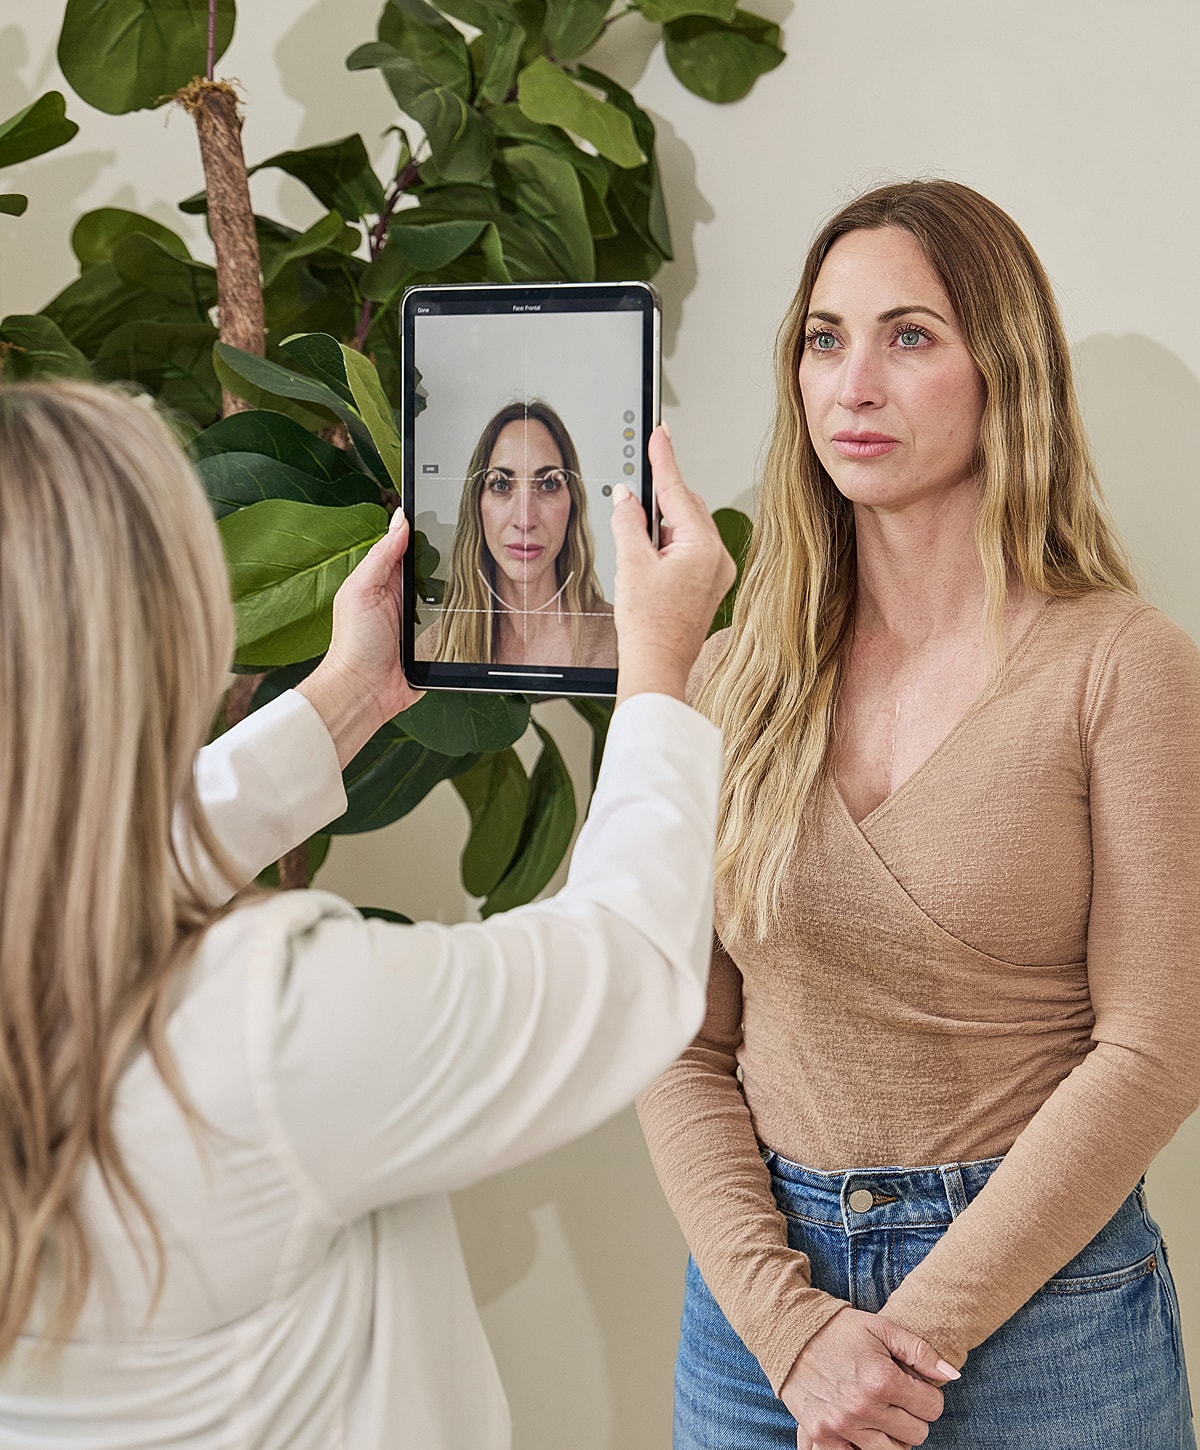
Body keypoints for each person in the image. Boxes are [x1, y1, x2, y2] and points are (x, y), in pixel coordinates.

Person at [0, 381, 746, 1448]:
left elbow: (122, 852)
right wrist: (662, 672)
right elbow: (624, 967)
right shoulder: (257, 1024)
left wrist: (352, 691)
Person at [637, 179, 1200, 1450]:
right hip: (758, 1322)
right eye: (824, 338)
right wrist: (794, 1334)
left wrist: (901, 1345)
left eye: (910, 335)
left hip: (1043, 1320)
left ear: (1004, 370)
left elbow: (1158, 1046)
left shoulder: (1122, 663)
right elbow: (677, 1038)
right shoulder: (737, 674)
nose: (854, 383)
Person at [416, 399, 618, 668]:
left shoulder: (625, 643)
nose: (525, 520)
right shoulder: (436, 650)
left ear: (573, 502)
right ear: (476, 503)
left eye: (548, 484)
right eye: (500, 484)